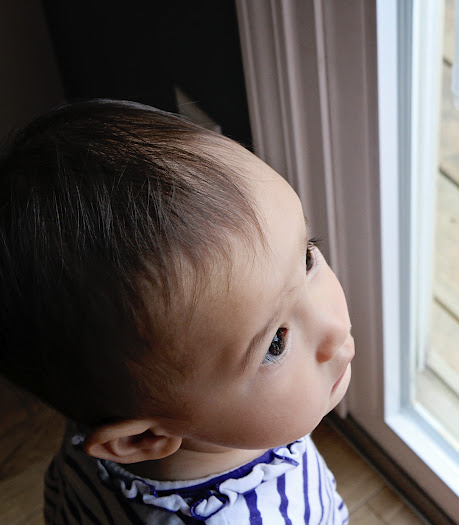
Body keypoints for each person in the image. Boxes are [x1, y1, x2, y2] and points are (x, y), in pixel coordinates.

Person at [0, 100, 354, 524]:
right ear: (143, 438)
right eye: (275, 342)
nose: (333, 328)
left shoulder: (104, 409)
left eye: (308, 257)